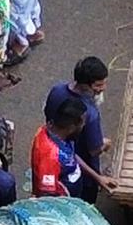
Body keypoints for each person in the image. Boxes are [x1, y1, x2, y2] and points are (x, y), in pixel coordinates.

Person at [44, 57, 109, 202]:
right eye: (99, 85)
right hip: (81, 175)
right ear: (86, 86)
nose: (103, 88)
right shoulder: (90, 113)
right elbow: (94, 150)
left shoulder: (56, 91)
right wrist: (104, 144)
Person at [31, 97, 87, 196]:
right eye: (82, 123)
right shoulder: (50, 158)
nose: (84, 125)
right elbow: (47, 192)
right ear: (71, 128)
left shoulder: (50, 130)